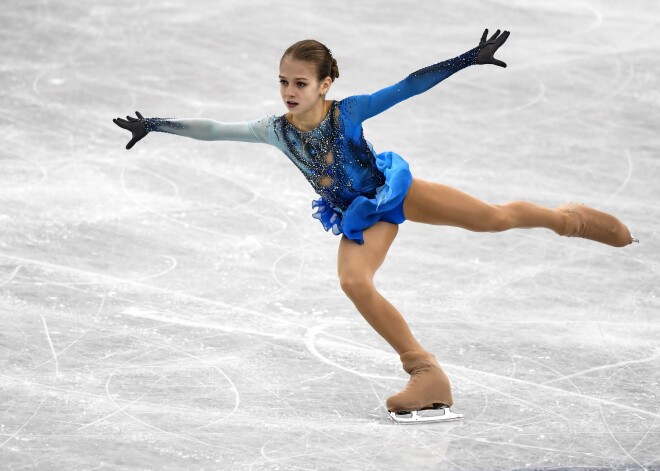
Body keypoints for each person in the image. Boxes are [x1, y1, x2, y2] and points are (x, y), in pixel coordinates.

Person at [113, 29, 638, 424]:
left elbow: (408, 86)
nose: (289, 92)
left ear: (326, 84)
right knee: (354, 281)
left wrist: (466, 59)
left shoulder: (349, 113)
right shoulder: (274, 130)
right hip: (361, 216)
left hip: (395, 192)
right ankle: (426, 374)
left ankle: (567, 220)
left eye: (301, 83)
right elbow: (214, 130)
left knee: (494, 219)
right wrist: (156, 124)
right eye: (283, 82)